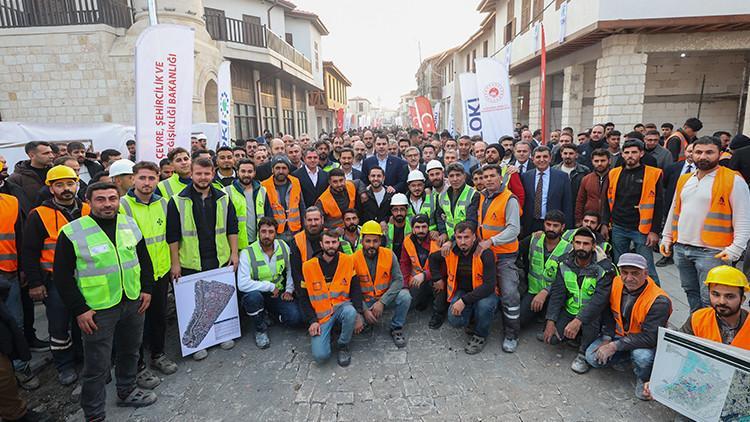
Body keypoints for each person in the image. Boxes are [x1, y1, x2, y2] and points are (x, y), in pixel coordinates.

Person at [54, 182, 157, 420]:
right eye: (100, 199)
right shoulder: (72, 232)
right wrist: (80, 309)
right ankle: (94, 413)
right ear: (88, 201)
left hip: (132, 300)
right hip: (98, 309)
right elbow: (62, 276)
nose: (108, 204)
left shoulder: (129, 224)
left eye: (112, 198)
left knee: (130, 351)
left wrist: (147, 288)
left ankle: (127, 390)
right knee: (97, 365)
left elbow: (143, 258)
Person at [660, 136, 750, 311]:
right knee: (690, 291)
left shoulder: (733, 180)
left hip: (713, 251)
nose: (703, 156)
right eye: (698, 152)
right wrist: (667, 237)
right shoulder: (685, 179)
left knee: (711, 298)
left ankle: (711, 327)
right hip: (682, 247)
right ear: (692, 154)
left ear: (720, 153)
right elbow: (674, 209)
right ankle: (697, 323)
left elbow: (744, 218)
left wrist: (736, 249)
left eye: (709, 152)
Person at [22, 166, 91, 386]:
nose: (66, 189)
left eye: (70, 184)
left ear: (77, 184)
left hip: (88, 277)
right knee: (59, 325)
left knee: (85, 320)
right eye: (59, 185)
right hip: (55, 281)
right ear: (51, 188)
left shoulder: (88, 209)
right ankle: (64, 365)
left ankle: (84, 357)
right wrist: (35, 283)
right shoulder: (39, 215)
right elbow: (29, 251)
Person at [166, 158, 239, 360]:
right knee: (195, 305)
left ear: (213, 174)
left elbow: (232, 228)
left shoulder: (223, 197)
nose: (203, 177)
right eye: (198, 173)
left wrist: (234, 253)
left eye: (207, 174)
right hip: (191, 261)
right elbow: (172, 235)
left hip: (218, 258)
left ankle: (222, 334)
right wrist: (175, 263)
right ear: (191, 173)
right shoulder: (177, 200)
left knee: (218, 299)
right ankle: (196, 344)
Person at [643, 265, 749, 400]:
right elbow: (676, 353)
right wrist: (657, 380)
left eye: (730, 296)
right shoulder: (698, 318)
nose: (722, 301)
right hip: (704, 385)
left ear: (742, 299)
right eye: (715, 294)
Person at [119, 161, 178, 382]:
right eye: (142, 178)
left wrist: (173, 264)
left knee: (158, 317)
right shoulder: (122, 205)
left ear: (158, 179)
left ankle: (158, 355)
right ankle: (138, 365)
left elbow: (170, 236)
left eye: (152, 178)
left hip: (160, 271)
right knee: (135, 323)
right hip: (134, 275)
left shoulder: (164, 203)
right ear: (133, 179)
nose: (147, 182)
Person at [585, 253, 671, 400]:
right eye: (624, 272)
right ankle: (627, 357)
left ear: (646, 273)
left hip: (644, 342)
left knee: (642, 356)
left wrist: (614, 346)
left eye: (635, 273)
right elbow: (608, 313)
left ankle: (645, 378)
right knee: (592, 357)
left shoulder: (659, 301)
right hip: (620, 336)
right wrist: (607, 338)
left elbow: (650, 337)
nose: (629, 278)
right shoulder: (616, 282)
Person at [543, 228, 616, 374]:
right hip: (571, 310)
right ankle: (575, 337)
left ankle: (583, 353)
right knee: (552, 339)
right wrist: (550, 321)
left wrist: (578, 321)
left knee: (591, 320)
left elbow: (599, 301)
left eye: (586, 244)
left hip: (595, 314)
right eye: (578, 243)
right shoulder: (563, 262)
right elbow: (557, 294)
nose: (581, 247)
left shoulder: (605, 269)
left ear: (593, 246)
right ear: (573, 244)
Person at [470, 164, 522, 352]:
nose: (489, 179)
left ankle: (511, 334)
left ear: (501, 178)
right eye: (485, 177)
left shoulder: (509, 199)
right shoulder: (481, 196)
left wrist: (491, 241)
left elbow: (514, 229)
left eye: (492, 176)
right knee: (479, 289)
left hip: (504, 255)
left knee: (509, 293)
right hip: (484, 253)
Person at [428, 221, 498, 354]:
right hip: (463, 291)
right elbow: (433, 258)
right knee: (454, 319)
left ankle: (480, 335)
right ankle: (472, 318)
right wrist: (437, 278)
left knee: (484, 306)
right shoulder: (451, 250)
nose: (463, 242)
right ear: (455, 238)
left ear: (474, 237)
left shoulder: (485, 253)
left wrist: (463, 301)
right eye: (459, 238)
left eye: (466, 237)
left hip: (484, 293)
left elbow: (489, 286)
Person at [298, 229, 363, 366]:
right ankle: (330, 334)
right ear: (321, 244)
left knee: (351, 313)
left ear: (338, 243)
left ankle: (343, 345)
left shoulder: (347, 261)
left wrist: (358, 313)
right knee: (321, 356)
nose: (331, 245)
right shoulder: (308, 266)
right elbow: (303, 298)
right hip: (321, 316)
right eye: (327, 242)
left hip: (342, 306)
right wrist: (312, 321)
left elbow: (355, 288)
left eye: (334, 242)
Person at [602, 140, 664, 285]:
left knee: (646, 266)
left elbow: (659, 205)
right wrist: (605, 223)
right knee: (620, 265)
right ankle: (622, 291)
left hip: (641, 229)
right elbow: (607, 200)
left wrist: (654, 231)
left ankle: (655, 294)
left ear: (641, 153)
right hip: (618, 226)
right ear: (622, 154)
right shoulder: (614, 173)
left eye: (634, 152)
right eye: (627, 152)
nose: (630, 155)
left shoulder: (653, 173)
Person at [237, 217, 302, 349]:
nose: (267, 235)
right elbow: (242, 283)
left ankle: (269, 313)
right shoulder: (247, 252)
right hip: (257, 294)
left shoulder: (283, 246)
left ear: (276, 234)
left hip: (277, 294)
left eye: (271, 232)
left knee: (296, 318)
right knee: (253, 298)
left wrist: (289, 290)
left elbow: (291, 269)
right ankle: (260, 329)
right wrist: (269, 286)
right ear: (258, 233)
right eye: (263, 231)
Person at [354, 221, 411, 347]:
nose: (371, 245)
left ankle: (396, 328)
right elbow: (351, 290)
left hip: (385, 298)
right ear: (362, 241)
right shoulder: (353, 259)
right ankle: (366, 321)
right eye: (368, 241)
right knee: (355, 320)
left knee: (405, 296)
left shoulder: (389, 254)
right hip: (365, 302)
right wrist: (364, 310)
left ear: (380, 241)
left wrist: (382, 302)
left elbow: (398, 280)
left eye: (375, 241)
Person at [517, 210, 572, 329]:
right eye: (548, 224)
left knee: (558, 328)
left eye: (555, 226)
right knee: (518, 321)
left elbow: (566, 279)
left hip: (556, 295)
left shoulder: (568, 249)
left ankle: (544, 314)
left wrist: (546, 291)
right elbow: (515, 249)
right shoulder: (534, 239)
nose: (551, 228)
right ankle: (538, 312)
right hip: (533, 291)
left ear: (562, 227)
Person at [520, 146, 573, 238]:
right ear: (533, 159)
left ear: (550, 158)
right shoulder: (525, 176)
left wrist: (567, 227)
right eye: (538, 157)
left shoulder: (562, 177)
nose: (542, 160)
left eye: (545, 156)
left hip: (553, 224)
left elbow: (567, 203)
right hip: (530, 223)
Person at [400, 215, 440, 317]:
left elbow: (443, 268)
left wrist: (425, 275)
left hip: (434, 277)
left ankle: (439, 312)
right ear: (413, 229)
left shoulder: (436, 241)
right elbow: (404, 264)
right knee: (408, 304)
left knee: (439, 285)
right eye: (417, 227)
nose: (421, 230)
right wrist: (405, 286)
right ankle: (424, 298)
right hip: (417, 279)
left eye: (424, 227)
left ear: (428, 228)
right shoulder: (407, 241)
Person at [224, 159, 268, 250]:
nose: (246, 174)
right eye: (243, 171)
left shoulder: (262, 190)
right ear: (237, 172)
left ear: (254, 173)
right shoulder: (227, 192)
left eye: (250, 171)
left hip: (258, 243)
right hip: (237, 245)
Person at [262, 157, 304, 243]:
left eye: (284, 168)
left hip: (295, 231)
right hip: (276, 232)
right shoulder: (264, 186)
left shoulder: (295, 182)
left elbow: (301, 206)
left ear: (288, 170)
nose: (281, 171)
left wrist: (304, 227)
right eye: (277, 168)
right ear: (272, 170)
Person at [437, 164, 478, 239]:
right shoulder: (442, 195)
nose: (455, 179)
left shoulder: (473, 194)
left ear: (464, 176)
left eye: (458, 175)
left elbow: (471, 222)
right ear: (447, 177)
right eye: (451, 176)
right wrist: (443, 233)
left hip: (465, 240)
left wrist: (453, 241)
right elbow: (439, 217)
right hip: (448, 238)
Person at [9, 141, 54, 207]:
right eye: (46, 153)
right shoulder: (16, 178)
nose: (51, 156)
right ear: (31, 155)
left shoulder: (55, 172)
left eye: (51, 152)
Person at [575, 149, 610, 225]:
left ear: (609, 161)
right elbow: (580, 201)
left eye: (603, 161)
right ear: (592, 161)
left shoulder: (614, 177)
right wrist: (579, 220)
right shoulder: (586, 179)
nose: (599, 164)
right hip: (589, 221)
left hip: (610, 221)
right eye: (596, 161)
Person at [553, 144, 590, 213]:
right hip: (558, 208)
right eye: (565, 153)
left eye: (571, 153)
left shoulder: (584, 171)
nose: (568, 156)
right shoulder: (554, 170)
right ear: (561, 155)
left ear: (576, 155)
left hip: (577, 208)